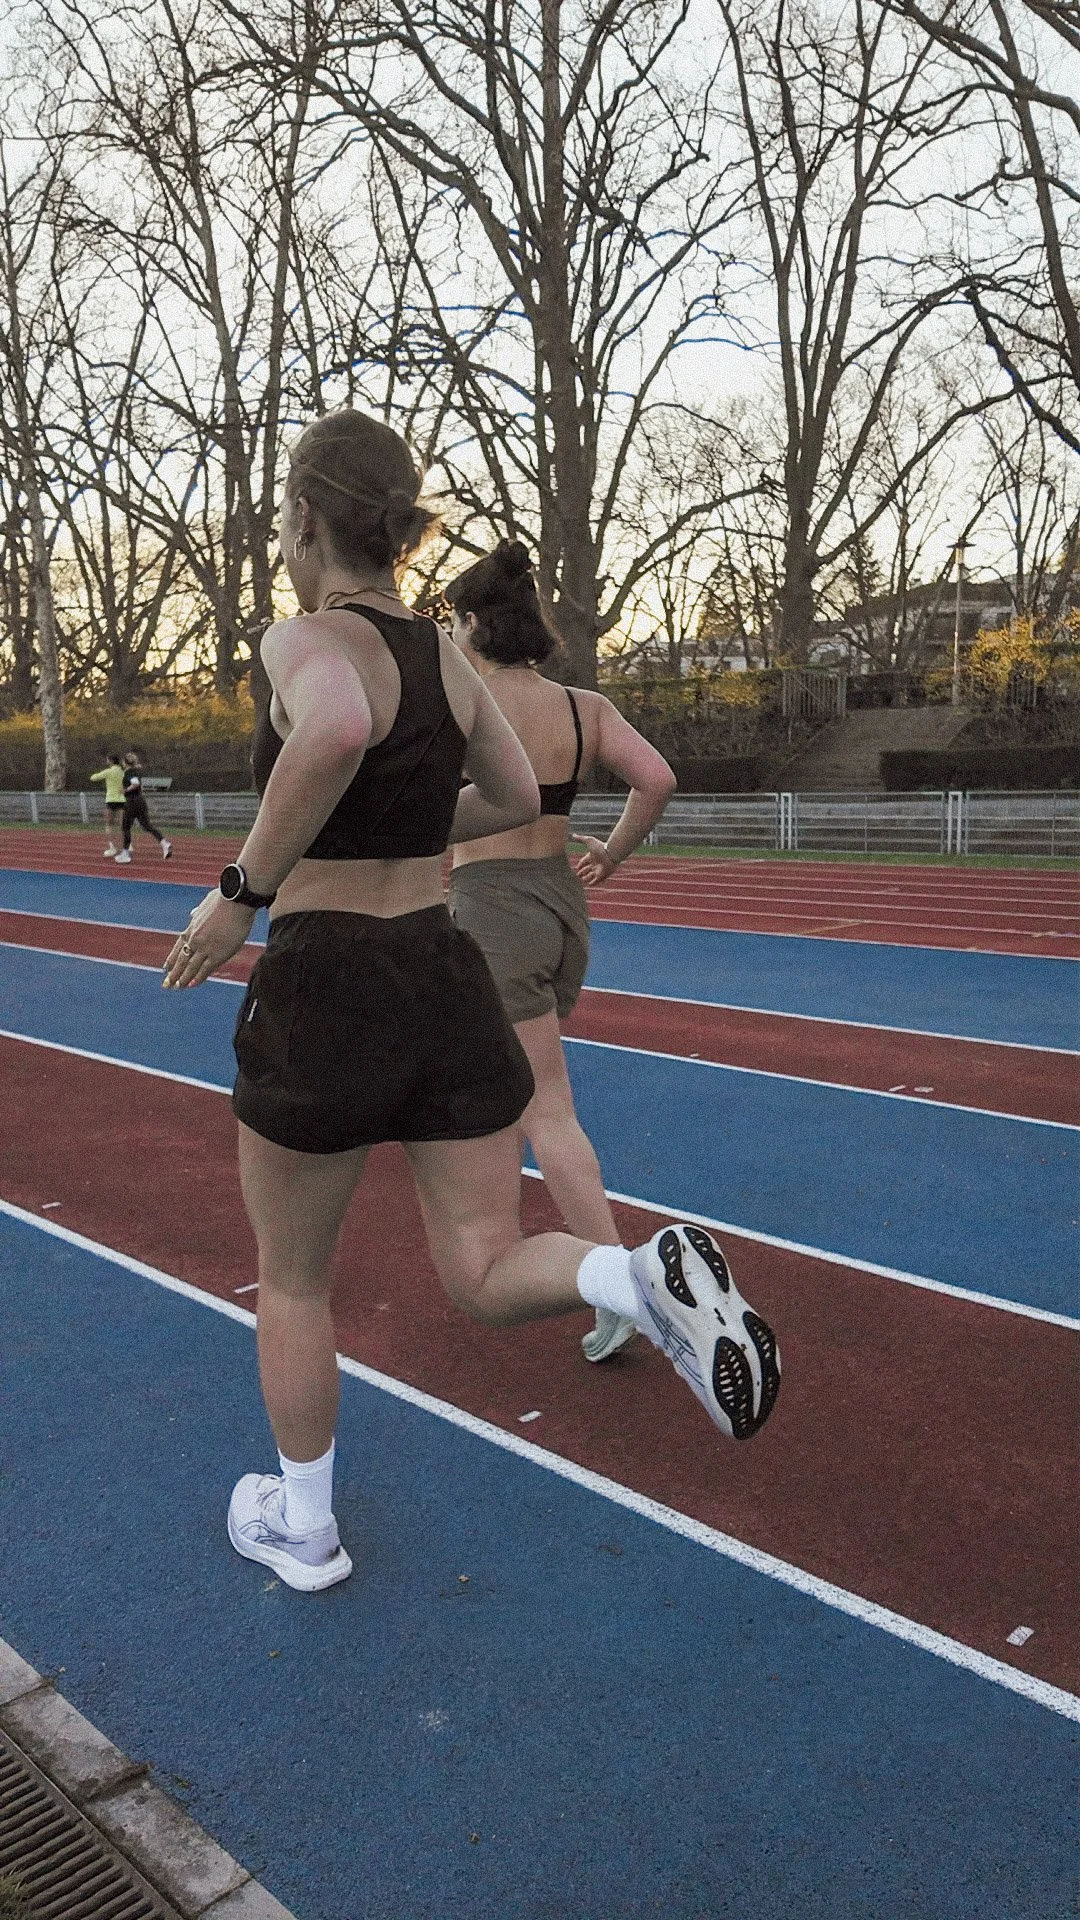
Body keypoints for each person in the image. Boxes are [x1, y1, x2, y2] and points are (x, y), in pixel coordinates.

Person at [162, 407, 780, 1595]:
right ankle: (633, 1278)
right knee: (488, 1268)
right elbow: (514, 794)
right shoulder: (447, 657)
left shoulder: (304, 638)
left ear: (305, 519)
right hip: (442, 971)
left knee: (294, 1280)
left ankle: (306, 1530)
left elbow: (338, 725)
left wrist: (241, 892)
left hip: (327, 978)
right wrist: (395, 820)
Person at [444, 541, 677, 1364]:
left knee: (546, 1107)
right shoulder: (585, 708)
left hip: (490, 905)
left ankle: (622, 1286)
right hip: (557, 901)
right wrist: (612, 852)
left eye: (454, 621)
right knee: (505, 1087)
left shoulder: (464, 702)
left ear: (475, 622)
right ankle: (507, 1243)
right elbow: (657, 779)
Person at [115, 752, 172, 863]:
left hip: (132, 801)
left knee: (125, 827)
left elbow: (135, 783)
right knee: (146, 825)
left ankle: (125, 854)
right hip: (140, 800)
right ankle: (164, 843)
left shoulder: (129, 773)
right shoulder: (135, 771)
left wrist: (125, 790)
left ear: (125, 762)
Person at [89, 753, 126, 857]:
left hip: (111, 800)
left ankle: (112, 847)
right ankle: (127, 846)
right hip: (121, 800)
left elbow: (93, 778)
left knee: (108, 824)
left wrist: (101, 774)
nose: (107, 762)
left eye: (107, 760)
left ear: (111, 761)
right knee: (122, 824)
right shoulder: (122, 772)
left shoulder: (108, 772)